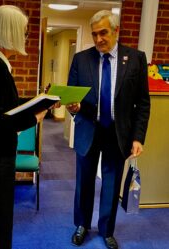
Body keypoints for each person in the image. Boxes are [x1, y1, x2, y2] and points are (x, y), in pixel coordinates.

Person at [66, 10, 150, 249]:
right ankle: (82, 225)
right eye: (94, 34)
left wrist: (138, 137)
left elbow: (143, 103)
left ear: (116, 31)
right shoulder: (81, 59)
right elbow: (72, 97)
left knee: (111, 185)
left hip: (117, 132)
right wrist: (74, 107)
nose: (98, 39)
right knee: (84, 182)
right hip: (88, 130)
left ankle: (107, 229)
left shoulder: (135, 59)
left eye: (103, 33)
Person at [0, 5, 48, 249]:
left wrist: (37, 101)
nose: (25, 37)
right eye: (23, 31)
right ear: (10, 31)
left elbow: (5, 106)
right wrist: (35, 118)